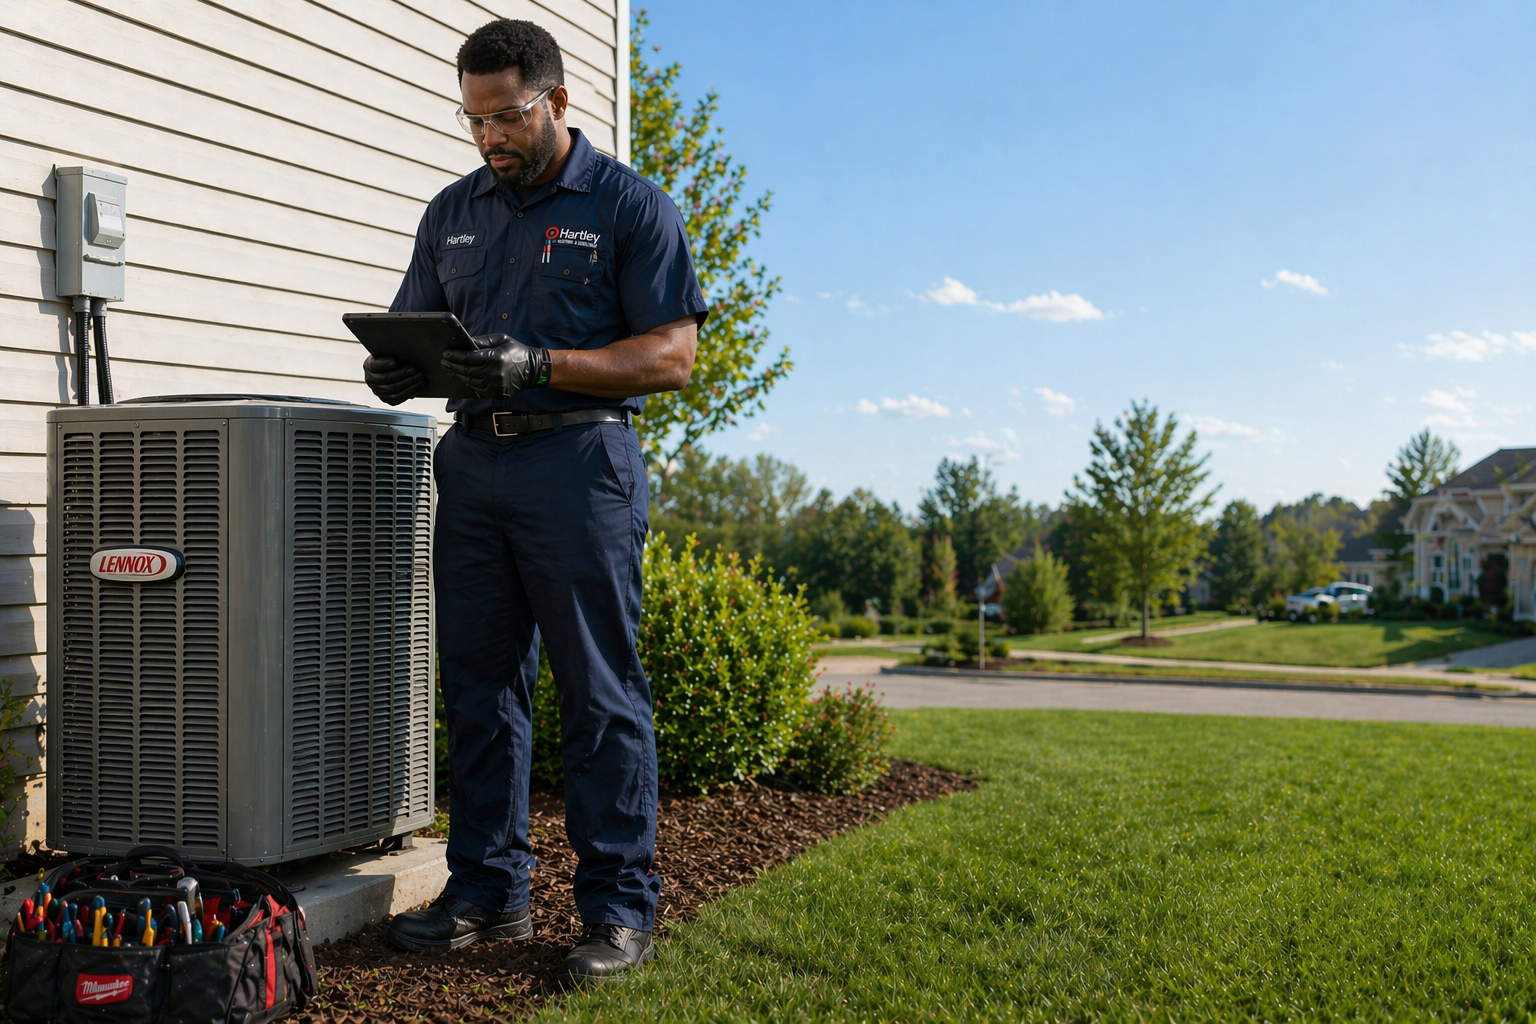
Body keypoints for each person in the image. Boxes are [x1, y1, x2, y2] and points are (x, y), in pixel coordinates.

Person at [363, 18, 707, 984]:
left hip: (579, 467)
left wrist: (541, 363)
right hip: (473, 468)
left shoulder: (631, 207)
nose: (489, 139)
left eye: (506, 117)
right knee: (478, 691)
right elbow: (416, 325)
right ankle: (486, 894)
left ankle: (618, 913)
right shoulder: (453, 212)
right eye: (474, 121)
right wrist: (400, 368)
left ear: (556, 101)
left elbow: (672, 356)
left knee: (599, 695)